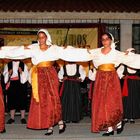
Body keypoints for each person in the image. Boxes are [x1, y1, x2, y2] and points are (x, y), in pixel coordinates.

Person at [4, 29, 66, 136]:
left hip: (50, 75)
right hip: (39, 76)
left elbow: (68, 52)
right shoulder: (34, 48)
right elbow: (19, 51)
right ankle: (49, 126)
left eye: (43, 37)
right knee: (43, 101)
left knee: (53, 99)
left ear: (47, 37)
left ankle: (60, 121)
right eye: (39, 37)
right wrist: (3, 50)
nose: (41, 39)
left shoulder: (54, 48)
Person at [117, 48, 140, 124]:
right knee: (126, 99)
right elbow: (119, 72)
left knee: (135, 98)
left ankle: (132, 116)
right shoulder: (124, 64)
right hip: (126, 84)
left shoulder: (138, 63)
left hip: (136, 84)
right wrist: (123, 77)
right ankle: (126, 116)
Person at [3, 60, 29, 124]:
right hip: (12, 83)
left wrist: (21, 72)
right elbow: (4, 73)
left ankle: (23, 118)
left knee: (22, 99)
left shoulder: (23, 64)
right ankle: (12, 118)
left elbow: (26, 75)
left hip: (21, 83)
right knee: (12, 100)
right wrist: (8, 73)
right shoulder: (8, 64)